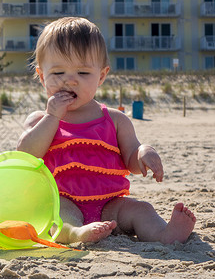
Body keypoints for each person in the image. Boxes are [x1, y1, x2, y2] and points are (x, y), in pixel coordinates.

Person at [17, 17, 196, 244]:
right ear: (42, 77)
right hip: (63, 199)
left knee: (142, 209)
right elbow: (26, 156)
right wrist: (53, 117)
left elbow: (131, 158)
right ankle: (75, 233)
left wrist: (144, 153)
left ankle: (165, 234)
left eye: (82, 73)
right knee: (59, 215)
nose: (70, 81)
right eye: (58, 73)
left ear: (101, 76)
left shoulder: (115, 120)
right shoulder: (40, 120)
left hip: (111, 205)